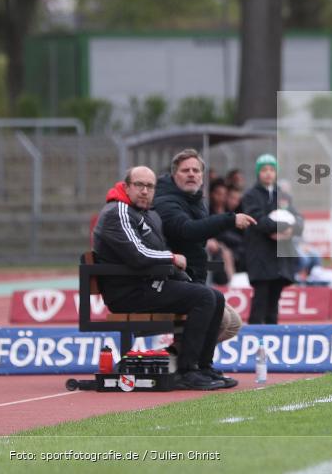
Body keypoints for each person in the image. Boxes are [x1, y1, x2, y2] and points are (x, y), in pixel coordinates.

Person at [92, 166, 235, 390]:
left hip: (149, 285)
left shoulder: (148, 215)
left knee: (214, 296)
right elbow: (138, 254)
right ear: (127, 186)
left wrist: (180, 273)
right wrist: (170, 257)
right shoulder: (117, 211)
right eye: (139, 185)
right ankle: (187, 371)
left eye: (149, 186)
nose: (144, 191)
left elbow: (155, 253)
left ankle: (203, 368)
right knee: (205, 298)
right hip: (129, 292)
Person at [153, 149, 254, 344]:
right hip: (172, 282)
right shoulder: (166, 201)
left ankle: (183, 358)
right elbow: (188, 230)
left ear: (202, 176)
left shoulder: (196, 199)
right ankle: (189, 365)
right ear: (174, 175)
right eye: (185, 170)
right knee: (220, 317)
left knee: (233, 323)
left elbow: (199, 234)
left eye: (196, 170)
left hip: (193, 279)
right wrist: (229, 219)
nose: (191, 174)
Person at [242, 154, 303, 323]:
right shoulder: (251, 196)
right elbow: (258, 220)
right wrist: (280, 228)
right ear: (258, 173)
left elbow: (298, 219)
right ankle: (254, 337)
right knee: (260, 299)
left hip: (280, 258)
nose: (268, 173)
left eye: (271, 169)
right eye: (264, 170)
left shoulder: (283, 196)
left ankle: (272, 337)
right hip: (260, 255)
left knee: (274, 302)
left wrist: (289, 230)